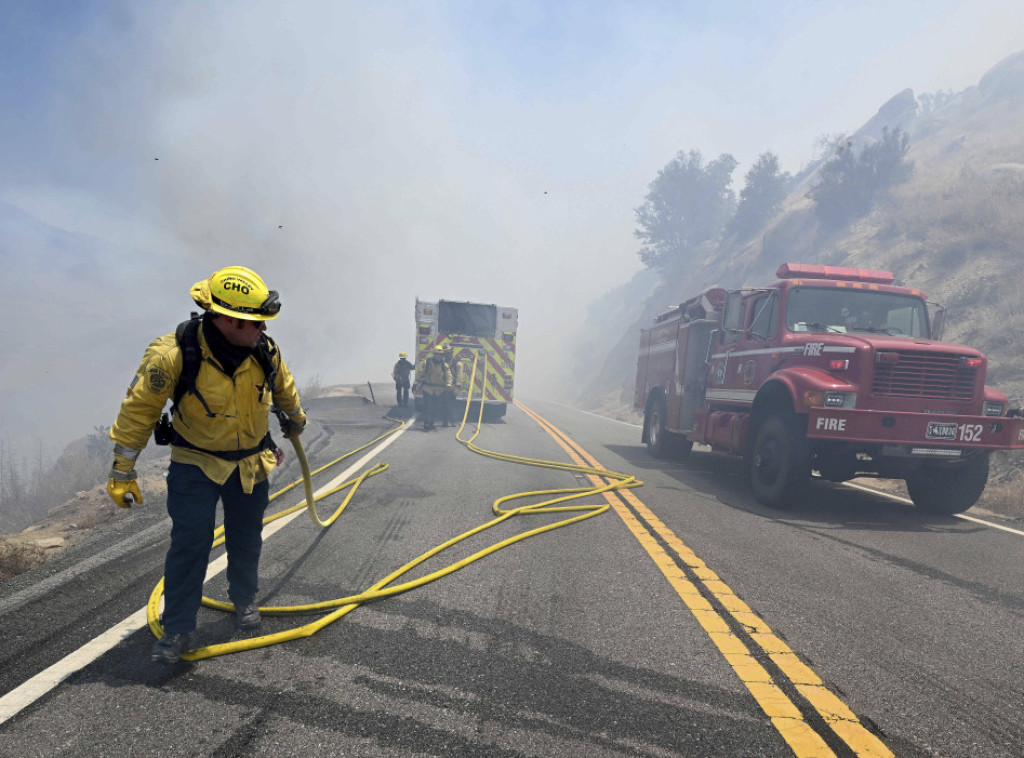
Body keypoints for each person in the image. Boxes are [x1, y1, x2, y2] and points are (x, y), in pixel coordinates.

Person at [106, 266, 307, 665]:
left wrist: (296, 418)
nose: (264, 329)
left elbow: (284, 386)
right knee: (191, 543)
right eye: (256, 323)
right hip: (195, 464)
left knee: (246, 537)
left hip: (250, 465)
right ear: (229, 321)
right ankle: (178, 628)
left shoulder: (265, 351)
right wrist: (122, 472)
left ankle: (244, 599)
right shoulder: (172, 356)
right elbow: (139, 412)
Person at [417, 346, 451, 431]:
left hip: (439, 390)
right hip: (427, 389)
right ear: (434, 354)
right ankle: (426, 424)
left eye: (440, 354)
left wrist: (449, 384)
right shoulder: (427, 363)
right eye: (437, 354)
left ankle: (431, 423)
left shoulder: (444, 365)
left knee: (436, 408)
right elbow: (420, 373)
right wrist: (416, 382)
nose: (439, 356)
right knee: (428, 407)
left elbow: (448, 375)